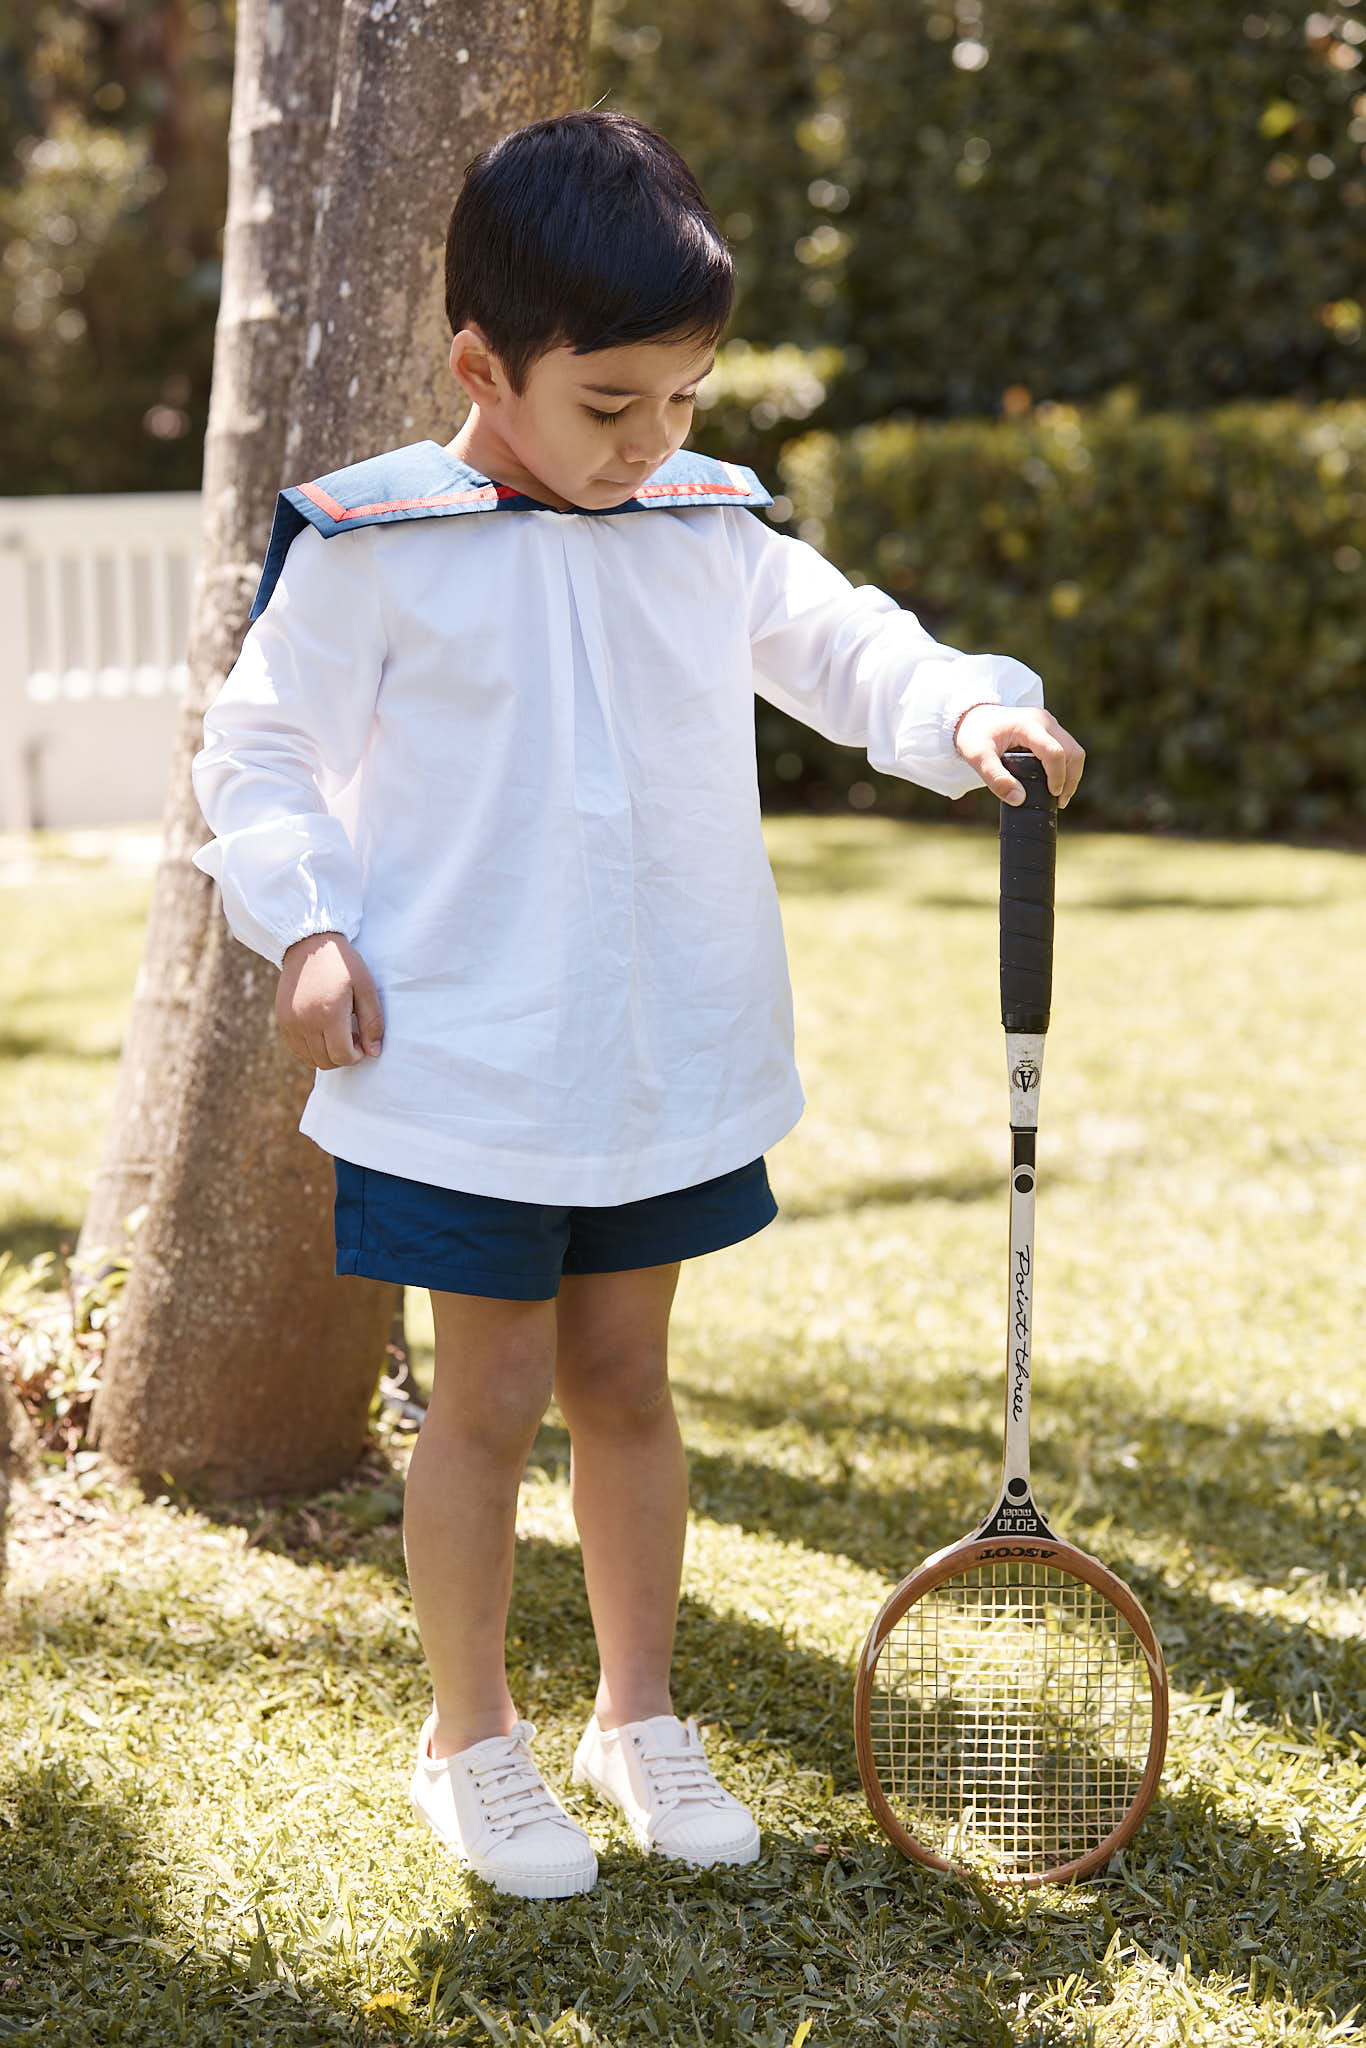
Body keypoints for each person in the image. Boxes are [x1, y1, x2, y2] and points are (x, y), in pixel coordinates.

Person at [190, 109, 1084, 1900]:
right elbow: (261, 753)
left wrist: (970, 710)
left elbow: (852, 648)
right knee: (487, 1394)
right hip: (462, 1056)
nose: (653, 440)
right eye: (610, 405)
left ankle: (635, 1715)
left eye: (682, 399)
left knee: (625, 1384)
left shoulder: (704, 520)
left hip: (653, 1044)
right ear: (480, 365)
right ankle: (469, 1738)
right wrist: (301, 929)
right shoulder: (372, 543)